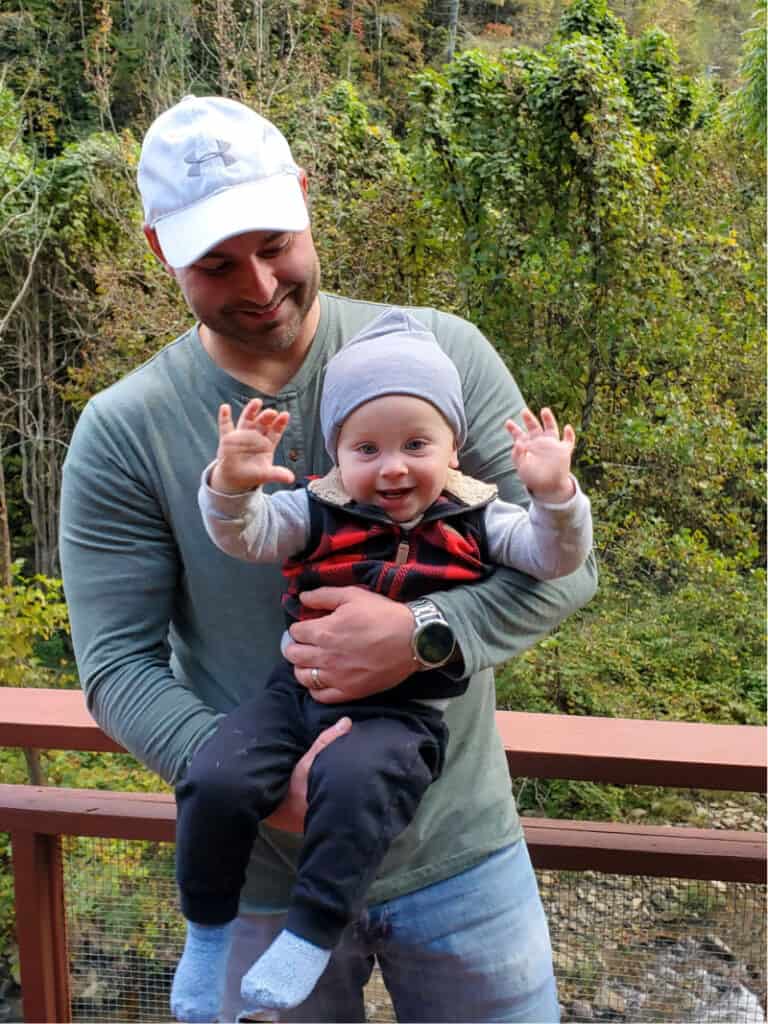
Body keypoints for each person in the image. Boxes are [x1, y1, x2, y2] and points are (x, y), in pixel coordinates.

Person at [59, 93, 598, 1023]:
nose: (260, 284)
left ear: (305, 202)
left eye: (275, 244)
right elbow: (116, 667)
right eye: (217, 263)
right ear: (160, 253)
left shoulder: (444, 356)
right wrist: (263, 788)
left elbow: (564, 562)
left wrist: (425, 634)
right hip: (258, 886)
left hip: (461, 852)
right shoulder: (125, 429)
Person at [171, 307, 593, 1021]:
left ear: (454, 449)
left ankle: (309, 934)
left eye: (416, 443)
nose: (392, 466)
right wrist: (231, 488)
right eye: (365, 448)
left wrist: (555, 496)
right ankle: (207, 935)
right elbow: (248, 537)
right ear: (338, 456)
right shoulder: (318, 508)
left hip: (401, 712)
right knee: (215, 777)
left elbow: (556, 560)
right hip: (295, 690)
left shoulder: (478, 516)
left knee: (355, 779)